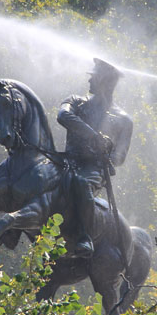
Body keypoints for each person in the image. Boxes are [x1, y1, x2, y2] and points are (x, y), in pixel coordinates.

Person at [57, 58, 133, 258]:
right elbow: (63, 117)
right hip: (67, 161)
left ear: (106, 82)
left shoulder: (124, 119)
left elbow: (120, 157)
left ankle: (85, 236)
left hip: (93, 169)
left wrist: (107, 149)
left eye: (94, 78)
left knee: (82, 183)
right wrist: (93, 135)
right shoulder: (75, 101)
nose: (89, 82)